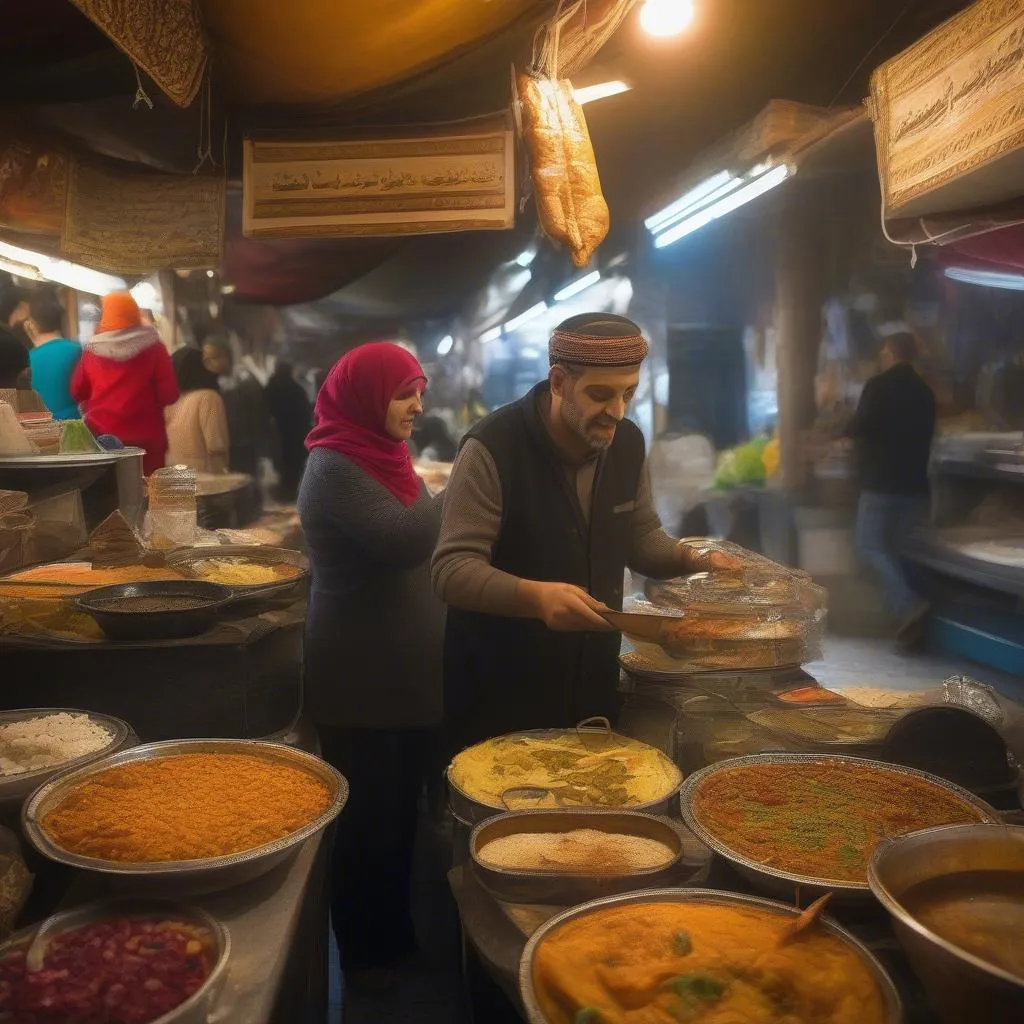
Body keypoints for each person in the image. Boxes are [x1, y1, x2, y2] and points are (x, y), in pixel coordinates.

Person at [432, 313, 738, 751]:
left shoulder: (627, 443)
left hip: (592, 692)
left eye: (628, 393)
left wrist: (695, 558)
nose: (617, 411)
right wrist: (535, 597)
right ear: (558, 382)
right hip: (501, 695)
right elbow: (451, 569)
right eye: (600, 394)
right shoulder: (493, 448)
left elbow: (642, 536)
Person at [297, 342, 444, 973]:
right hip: (362, 676)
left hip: (401, 676)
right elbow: (406, 538)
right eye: (404, 393)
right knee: (369, 824)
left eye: (419, 391)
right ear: (364, 397)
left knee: (396, 814)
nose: (417, 405)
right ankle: (370, 961)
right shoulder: (334, 464)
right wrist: (463, 477)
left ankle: (394, 941)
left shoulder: (384, 454)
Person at [846, 328, 936, 642]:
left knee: (869, 546)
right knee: (896, 552)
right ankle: (904, 624)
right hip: (915, 485)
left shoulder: (878, 386)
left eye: (884, 353)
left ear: (890, 352)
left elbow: (859, 427)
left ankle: (909, 605)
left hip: (881, 483)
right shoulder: (925, 391)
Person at [71, 291, 178, 475]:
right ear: (134, 313)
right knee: (149, 494)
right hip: (148, 440)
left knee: (112, 496)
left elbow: (77, 390)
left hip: (104, 440)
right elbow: (169, 393)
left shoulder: (92, 350)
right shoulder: (154, 346)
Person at [202, 337, 271, 479]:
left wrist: (262, 452)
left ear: (227, 357)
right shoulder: (205, 386)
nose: (209, 363)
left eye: (214, 357)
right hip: (220, 451)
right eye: (206, 359)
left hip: (243, 448)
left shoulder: (245, 381)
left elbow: (260, 417)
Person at [165, 347, 230, 473]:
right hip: (204, 478)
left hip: (173, 476)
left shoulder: (171, 401)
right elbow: (215, 445)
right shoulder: (208, 397)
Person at [24, 290, 81, 419]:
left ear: (33, 323)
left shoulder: (27, 358)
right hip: (76, 429)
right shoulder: (76, 351)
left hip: (41, 431)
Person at [265, 360, 312, 501]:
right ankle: (292, 497)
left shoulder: (269, 388)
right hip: (295, 438)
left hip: (276, 436)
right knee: (294, 469)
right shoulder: (297, 390)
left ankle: (282, 495)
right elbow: (305, 415)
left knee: (281, 467)